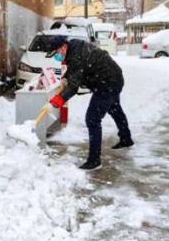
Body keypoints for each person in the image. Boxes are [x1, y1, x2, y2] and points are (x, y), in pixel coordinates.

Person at [46, 36, 133, 171]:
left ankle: (94, 160)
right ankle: (126, 138)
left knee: (92, 119)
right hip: (114, 77)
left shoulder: (75, 55)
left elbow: (74, 86)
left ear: (63, 47)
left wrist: (60, 99)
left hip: (107, 83)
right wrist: (66, 77)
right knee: (114, 109)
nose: (56, 57)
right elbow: (76, 70)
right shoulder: (74, 47)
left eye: (56, 53)